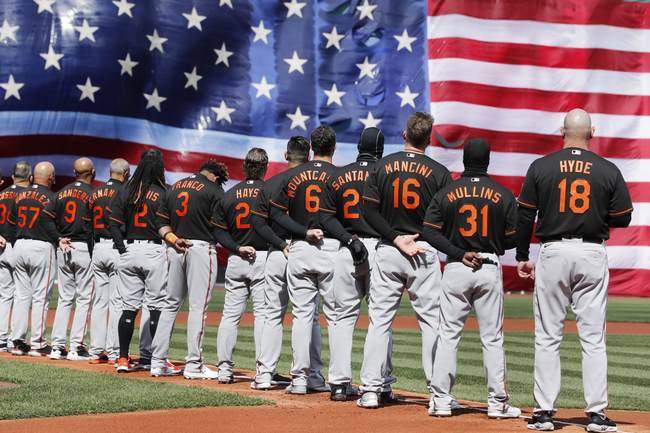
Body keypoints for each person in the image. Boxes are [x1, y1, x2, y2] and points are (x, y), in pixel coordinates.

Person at [517, 109, 633, 432]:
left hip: (553, 250)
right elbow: (624, 217)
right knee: (593, 338)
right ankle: (596, 414)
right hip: (591, 251)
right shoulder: (607, 169)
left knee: (547, 336)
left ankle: (543, 412)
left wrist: (523, 255)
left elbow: (525, 215)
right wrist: (596, 214)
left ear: (562, 131)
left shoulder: (541, 166)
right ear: (592, 132)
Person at [357, 112, 451, 409]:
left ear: (405, 135)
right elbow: (445, 220)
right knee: (431, 323)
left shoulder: (382, 166)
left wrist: (396, 238)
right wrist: (418, 239)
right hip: (423, 250)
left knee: (379, 321)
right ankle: (438, 394)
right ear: (429, 138)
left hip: (389, 248)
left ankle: (371, 390)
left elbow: (368, 212)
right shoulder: (439, 172)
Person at [422, 138, 521, 419]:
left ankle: (441, 400)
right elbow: (515, 237)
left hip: (456, 266)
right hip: (488, 266)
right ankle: (497, 403)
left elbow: (428, 231)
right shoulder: (502, 194)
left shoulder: (447, 192)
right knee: (492, 338)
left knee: (448, 334)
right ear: (487, 161)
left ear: (465, 160)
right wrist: (493, 243)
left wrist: (459, 251)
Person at [319, 127, 389, 402]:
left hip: (346, 248)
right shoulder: (385, 174)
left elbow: (325, 218)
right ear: (380, 150)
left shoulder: (338, 175)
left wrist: (349, 240)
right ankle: (381, 385)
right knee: (380, 318)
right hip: (380, 249)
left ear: (359, 147)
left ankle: (338, 384)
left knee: (342, 316)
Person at [269, 125, 339, 395]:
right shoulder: (340, 175)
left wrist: (302, 231)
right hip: (331, 248)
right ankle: (333, 380)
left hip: (299, 247)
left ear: (312, 148)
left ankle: (299, 379)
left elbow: (276, 214)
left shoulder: (292, 175)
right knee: (335, 316)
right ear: (333, 148)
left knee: (302, 315)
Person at [250, 137, 323, 390]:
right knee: (309, 316)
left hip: (278, 253)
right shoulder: (316, 181)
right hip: (307, 250)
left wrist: (280, 244)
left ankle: (264, 374)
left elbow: (257, 222)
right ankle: (312, 376)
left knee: (272, 314)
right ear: (309, 155)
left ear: (286, 155)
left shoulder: (272, 183)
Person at [150, 159, 229, 379]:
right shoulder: (214, 189)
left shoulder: (174, 187)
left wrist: (174, 239)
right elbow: (221, 226)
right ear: (215, 176)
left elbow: (160, 223)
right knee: (197, 307)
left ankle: (157, 362)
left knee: (170, 304)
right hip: (200, 249)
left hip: (174, 246)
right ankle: (194, 365)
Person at [108, 149, 178, 373]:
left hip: (129, 249)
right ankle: (155, 359)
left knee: (129, 308)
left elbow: (113, 223)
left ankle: (122, 359)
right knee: (156, 307)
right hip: (154, 250)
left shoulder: (126, 190)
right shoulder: (163, 191)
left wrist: (122, 249)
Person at [212, 149, 268, 384]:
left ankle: (224, 369)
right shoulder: (269, 191)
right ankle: (263, 371)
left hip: (236, 259)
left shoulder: (230, 194)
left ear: (245, 166)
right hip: (263, 257)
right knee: (263, 315)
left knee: (230, 316)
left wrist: (237, 248)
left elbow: (218, 231)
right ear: (264, 167)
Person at [10, 162, 72, 356]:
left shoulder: (19, 195)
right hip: (41, 247)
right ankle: (38, 343)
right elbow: (58, 225)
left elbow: (11, 223)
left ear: (32, 177)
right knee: (41, 297)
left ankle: (17, 342)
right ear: (51, 177)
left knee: (21, 295)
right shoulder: (53, 197)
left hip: (19, 245)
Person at [49, 158, 96, 361]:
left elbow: (46, 219)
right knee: (84, 298)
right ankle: (76, 347)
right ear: (93, 172)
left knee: (65, 298)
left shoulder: (60, 193)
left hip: (64, 247)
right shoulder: (93, 194)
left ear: (74, 172)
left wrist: (58, 238)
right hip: (84, 248)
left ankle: (57, 347)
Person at [88, 158, 130, 364]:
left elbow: (87, 225)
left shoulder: (95, 192)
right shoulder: (125, 192)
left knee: (99, 301)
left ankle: (96, 350)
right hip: (116, 246)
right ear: (126, 174)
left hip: (98, 247)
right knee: (117, 301)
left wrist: (92, 250)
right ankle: (114, 352)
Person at [0, 161, 31, 352]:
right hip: (17, 246)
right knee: (22, 293)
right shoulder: (28, 195)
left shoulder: (2, 194)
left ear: (12, 177)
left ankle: (1, 338)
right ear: (30, 178)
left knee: (4, 295)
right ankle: (16, 339)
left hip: (1, 247)